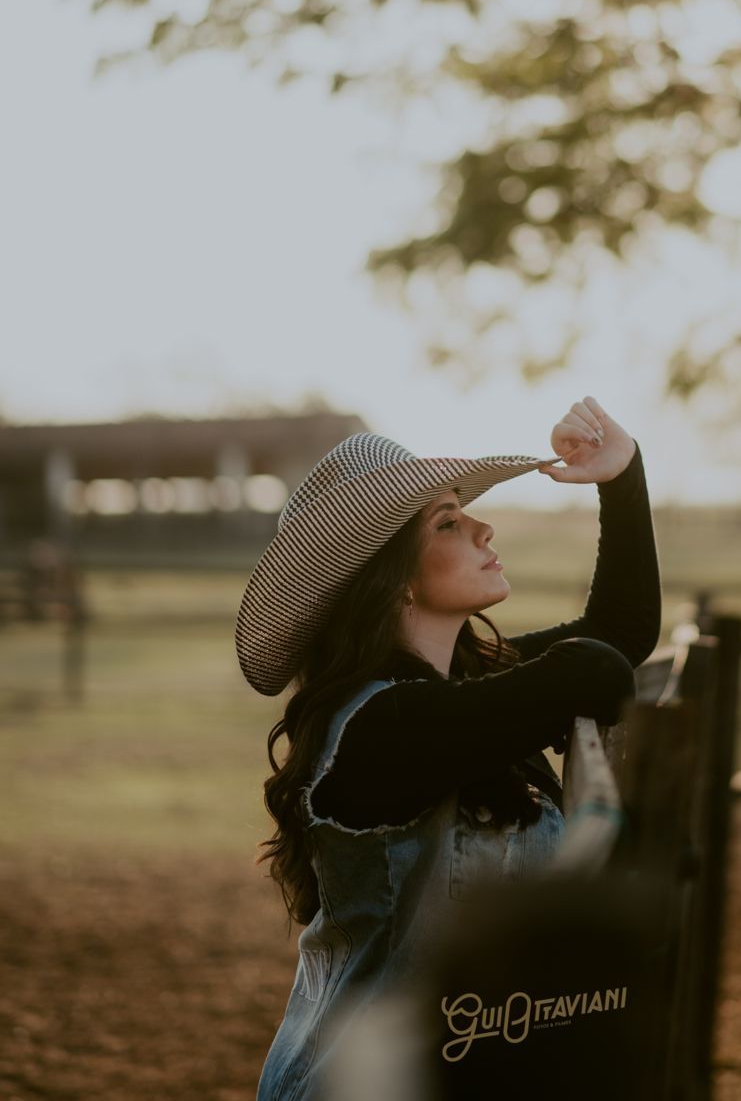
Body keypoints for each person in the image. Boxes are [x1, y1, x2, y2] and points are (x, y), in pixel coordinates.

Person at [236, 394, 662, 1101]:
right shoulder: (383, 726)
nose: (484, 526)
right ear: (394, 575)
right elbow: (595, 665)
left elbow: (618, 632)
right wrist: (566, 674)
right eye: (449, 522)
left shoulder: (459, 692)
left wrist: (622, 476)